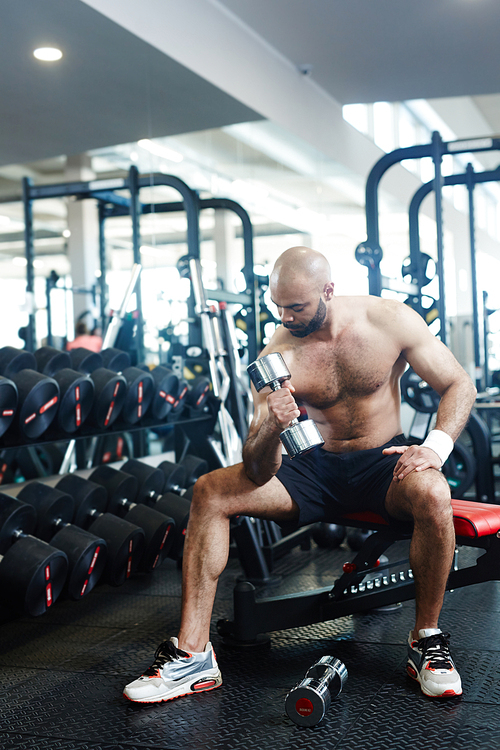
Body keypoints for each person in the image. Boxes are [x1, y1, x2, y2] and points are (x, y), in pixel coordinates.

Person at [123, 246, 476, 704]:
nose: (285, 318)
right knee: (210, 492)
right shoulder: (277, 355)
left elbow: (458, 384)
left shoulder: (390, 320)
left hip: (380, 465)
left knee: (433, 490)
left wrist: (435, 447)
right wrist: (272, 424)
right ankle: (193, 656)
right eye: (278, 308)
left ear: (328, 290)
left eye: (296, 307)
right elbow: (255, 466)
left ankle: (425, 641)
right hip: (310, 468)